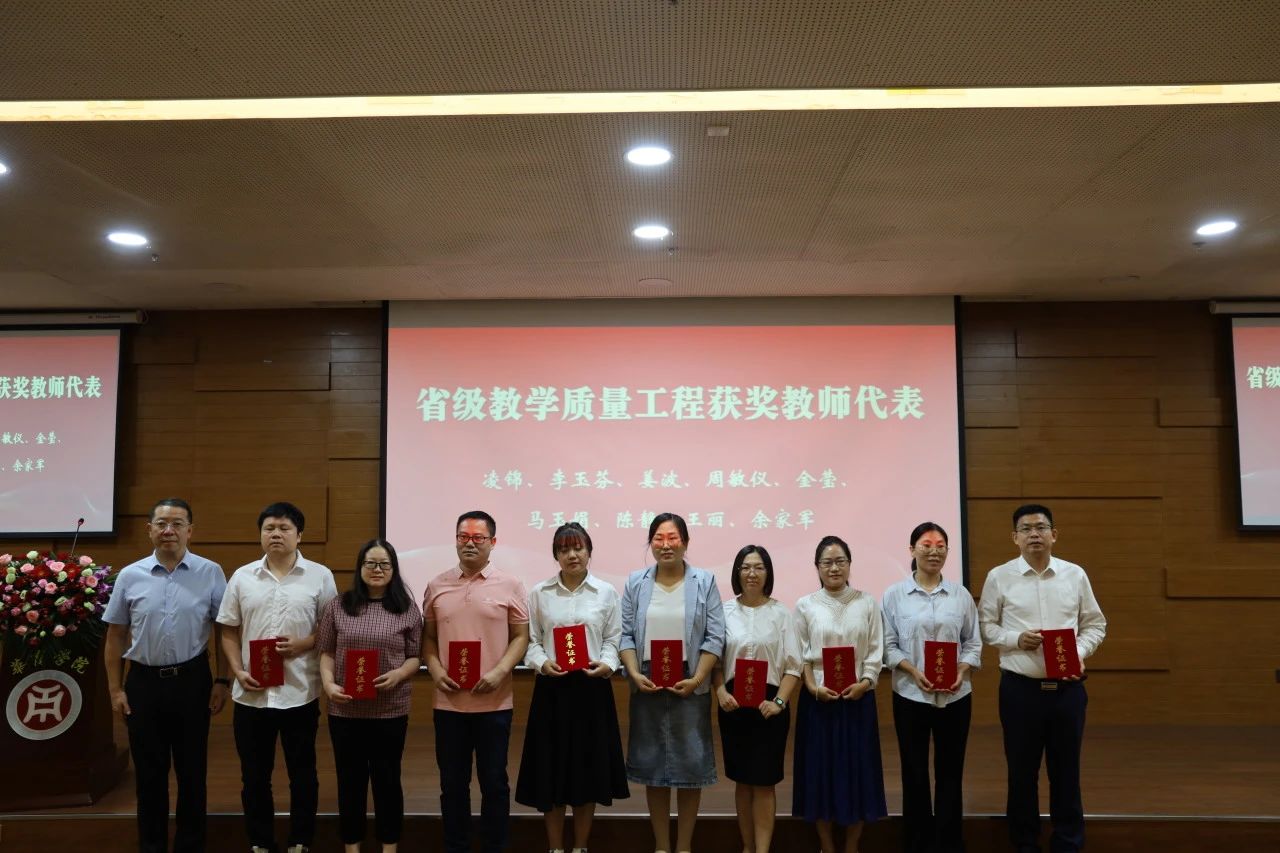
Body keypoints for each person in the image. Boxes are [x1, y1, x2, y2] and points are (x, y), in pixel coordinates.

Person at [102, 497, 231, 853]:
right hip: (143, 684)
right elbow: (115, 635)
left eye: (177, 524)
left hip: (193, 681)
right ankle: (152, 846)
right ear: (149, 530)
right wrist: (115, 689)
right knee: (149, 775)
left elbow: (224, 629)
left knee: (192, 774)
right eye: (161, 524)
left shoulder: (210, 572)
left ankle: (191, 846)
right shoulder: (130, 575)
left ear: (190, 530)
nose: (168, 530)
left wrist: (223, 681)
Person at [978, 504, 1106, 853]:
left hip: (1067, 691)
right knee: (1022, 773)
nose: (1034, 534)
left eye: (1041, 527)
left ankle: (1068, 842)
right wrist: (1014, 639)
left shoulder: (1074, 575)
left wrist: (1077, 652)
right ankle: (1025, 843)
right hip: (1020, 691)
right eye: (1026, 529)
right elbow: (986, 626)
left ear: (1054, 534)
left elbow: (1095, 624)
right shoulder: (999, 577)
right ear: (1014, 537)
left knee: (1066, 771)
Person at [216, 501, 338, 853]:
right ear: (260, 535)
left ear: (299, 535)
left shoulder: (320, 576)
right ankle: (260, 842)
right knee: (254, 776)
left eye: (284, 528)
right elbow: (228, 629)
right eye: (269, 528)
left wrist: (304, 643)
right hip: (251, 693)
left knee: (303, 774)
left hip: (300, 692)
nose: (276, 534)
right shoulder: (242, 577)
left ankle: (301, 840)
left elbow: (331, 629)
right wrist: (237, 670)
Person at [516, 522, 629, 853]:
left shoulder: (606, 592)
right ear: (556, 555)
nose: (572, 555)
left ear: (589, 551)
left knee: (587, 774)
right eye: (564, 549)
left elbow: (613, 638)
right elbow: (532, 641)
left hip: (592, 690)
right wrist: (542, 663)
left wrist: (607, 663)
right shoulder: (539, 593)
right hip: (552, 690)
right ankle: (555, 848)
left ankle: (580, 847)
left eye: (578, 548)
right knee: (551, 773)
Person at [422, 510, 530, 853]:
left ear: (492, 542)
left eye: (478, 538)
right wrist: (435, 669)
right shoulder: (436, 585)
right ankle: (456, 846)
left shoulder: (511, 585)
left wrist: (500, 672)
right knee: (452, 784)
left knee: (494, 783)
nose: (469, 543)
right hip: (448, 704)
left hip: (494, 704)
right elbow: (428, 638)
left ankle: (495, 846)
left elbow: (521, 637)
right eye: (463, 537)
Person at [618, 512, 725, 853]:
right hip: (647, 682)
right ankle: (662, 846)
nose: (666, 545)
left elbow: (715, 636)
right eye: (658, 539)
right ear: (650, 544)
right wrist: (634, 673)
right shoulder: (636, 582)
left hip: (690, 681)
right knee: (654, 769)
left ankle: (684, 846)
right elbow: (625, 635)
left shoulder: (704, 581)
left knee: (691, 769)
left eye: (673, 538)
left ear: (685, 542)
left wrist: (697, 678)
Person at [317, 539, 423, 853]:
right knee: (349, 782)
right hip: (345, 710)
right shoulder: (339, 605)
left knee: (387, 781)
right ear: (360, 567)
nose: (377, 569)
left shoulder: (407, 608)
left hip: (389, 710)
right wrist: (328, 684)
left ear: (393, 569)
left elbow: (415, 657)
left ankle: (389, 847)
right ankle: (352, 847)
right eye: (370, 563)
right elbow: (326, 651)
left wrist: (399, 674)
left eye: (384, 564)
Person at [881, 522, 982, 853]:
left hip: (956, 695)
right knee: (914, 772)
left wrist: (962, 670)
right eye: (926, 545)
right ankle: (917, 842)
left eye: (941, 546)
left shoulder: (961, 595)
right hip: (911, 694)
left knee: (951, 771)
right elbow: (888, 645)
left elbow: (973, 643)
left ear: (947, 552)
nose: (934, 551)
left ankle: (950, 842)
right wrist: (913, 670)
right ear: (912, 550)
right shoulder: (894, 595)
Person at [791, 534, 887, 853]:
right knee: (820, 774)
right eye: (827, 562)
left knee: (859, 773)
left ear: (849, 564)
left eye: (840, 561)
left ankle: (852, 846)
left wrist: (866, 682)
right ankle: (826, 845)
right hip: (819, 700)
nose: (834, 568)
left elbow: (875, 649)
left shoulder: (867, 602)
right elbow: (801, 654)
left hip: (857, 699)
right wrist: (811, 687)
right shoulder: (805, 605)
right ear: (817, 567)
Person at [710, 545, 801, 853]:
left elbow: (793, 666)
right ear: (737, 572)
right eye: (746, 567)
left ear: (768, 573)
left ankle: (762, 850)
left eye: (759, 567)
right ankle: (747, 847)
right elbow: (715, 661)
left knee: (764, 782)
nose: (752, 573)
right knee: (742, 780)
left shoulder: (781, 613)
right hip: (733, 705)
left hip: (769, 708)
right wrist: (720, 692)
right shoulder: (723, 612)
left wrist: (779, 703)